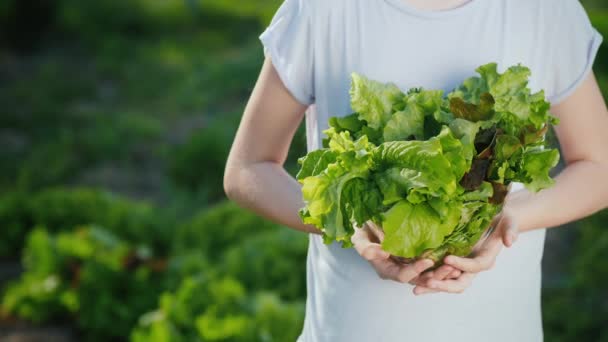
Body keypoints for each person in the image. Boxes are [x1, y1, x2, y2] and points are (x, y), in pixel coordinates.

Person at [223, 0, 608, 340]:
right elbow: (247, 169)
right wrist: (351, 224)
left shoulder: (544, 10)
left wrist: (505, 217)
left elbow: (599, 167)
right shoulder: (322, 9)